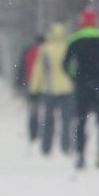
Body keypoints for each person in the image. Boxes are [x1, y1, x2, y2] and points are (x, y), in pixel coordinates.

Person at [62, 9, 99, 169]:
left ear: (82, 22)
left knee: (81, 121)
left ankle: (80, 153)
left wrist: (74, 77)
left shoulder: (75, 39)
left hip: (82, 85)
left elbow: (66, 64)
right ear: (96, 23)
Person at [31, 22, 74, 156]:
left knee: (48, 119)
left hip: (49, 89)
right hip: (67, 89)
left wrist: (34, 89)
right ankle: (66, 146)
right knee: (66, 119)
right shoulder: (69, 47)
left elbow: (39, 70)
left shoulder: (45, 49)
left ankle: (46, 147)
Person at [17, 32, 45, 145]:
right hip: (45, 85)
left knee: (33, 110)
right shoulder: (46, 52)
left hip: (30, 84)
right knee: (45, 110)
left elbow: (21, 67)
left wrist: (19, 83)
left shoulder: (28, 51)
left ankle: (33, 133)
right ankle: (43, 132)